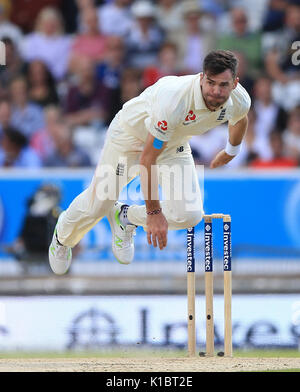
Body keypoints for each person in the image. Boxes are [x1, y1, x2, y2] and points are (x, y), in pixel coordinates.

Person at [48, 50, 251, 275]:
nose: (215, 91)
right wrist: (154, 214)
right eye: (210, 83)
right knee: (99, 204)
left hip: (172, 145)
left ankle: (125, 217)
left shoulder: (239, 99)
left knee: (189, 215)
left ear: (235, 84)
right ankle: (62, 238)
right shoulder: (175, 100)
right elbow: (148, 158)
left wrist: (231, 150)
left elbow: (240, 119)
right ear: (201, 77)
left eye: (223, 85)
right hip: (129, 138)